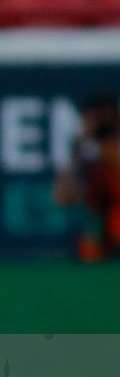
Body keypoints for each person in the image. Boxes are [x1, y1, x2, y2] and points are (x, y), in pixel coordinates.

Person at [54, 96, 120, 262]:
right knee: (91, 245)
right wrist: (77, 154)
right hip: (105, 229)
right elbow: (64, 198)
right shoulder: (85, 152)